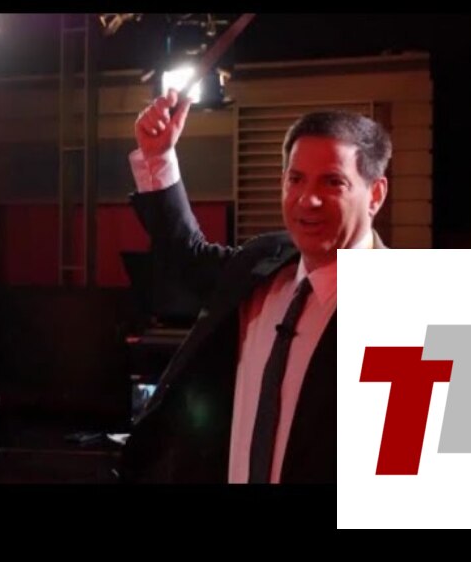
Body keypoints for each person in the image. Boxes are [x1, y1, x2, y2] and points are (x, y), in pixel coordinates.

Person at [120, 89, 391, 483]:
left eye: (333, 182)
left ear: (375, 194)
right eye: (296, 179)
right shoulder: (263, 262)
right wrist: (159, 156)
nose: (307, 200)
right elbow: (187, 256)